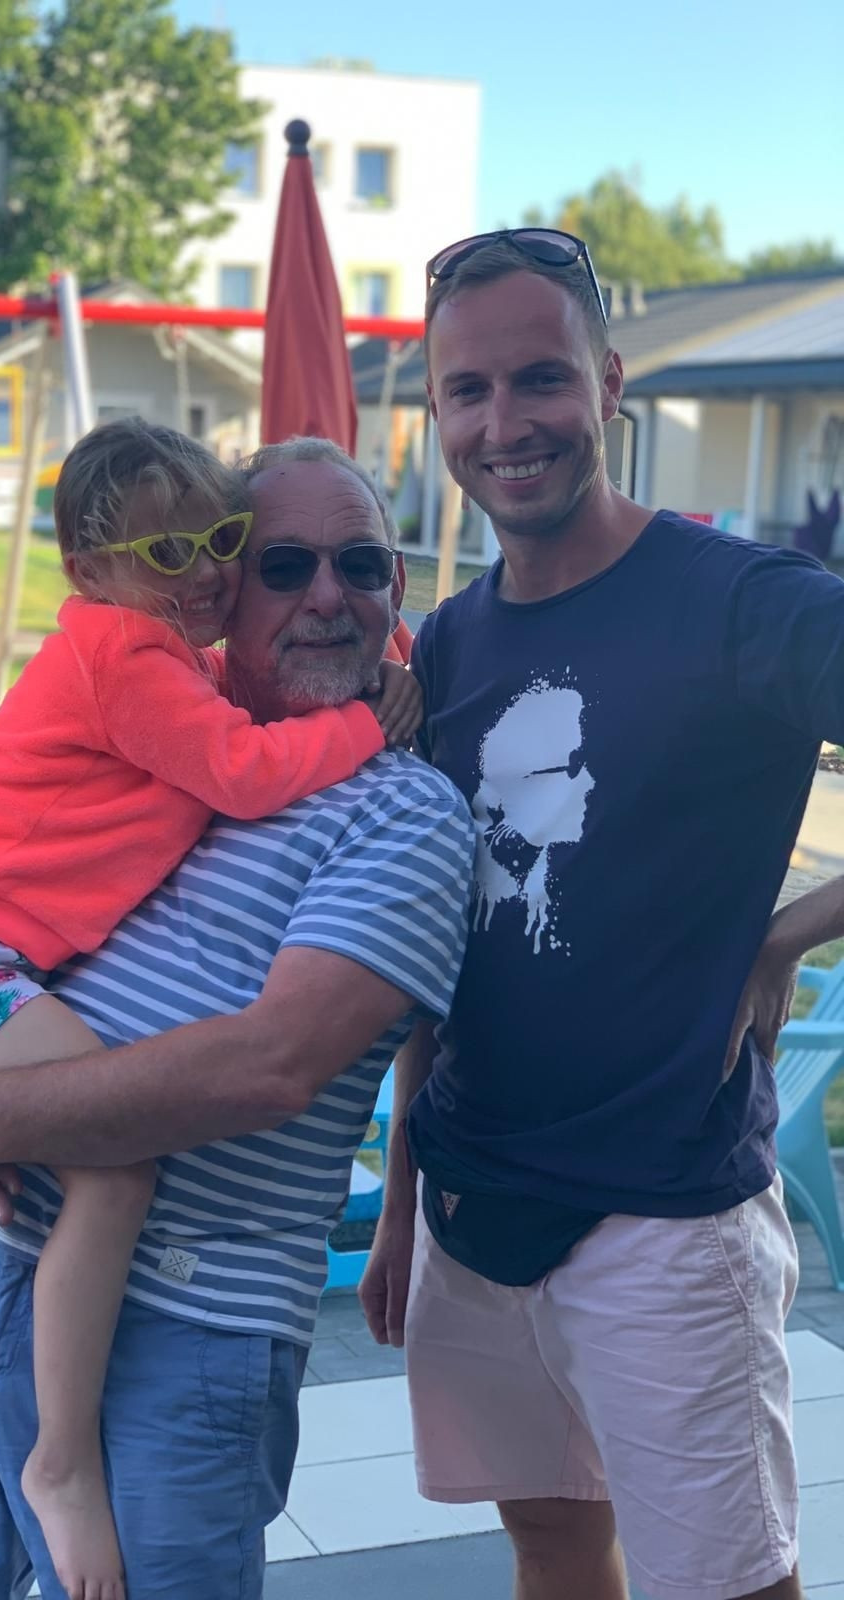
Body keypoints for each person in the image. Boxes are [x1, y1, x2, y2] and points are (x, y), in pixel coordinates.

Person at [0, 436, 477, 1600]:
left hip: (184, 1319)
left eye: (362, 565)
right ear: (224, 592)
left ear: (398, 589)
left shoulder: (404, 814)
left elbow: (273, 1065)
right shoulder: (159, 730)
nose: (329, 595)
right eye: (283, 566)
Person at [359, 228, 844, 1600]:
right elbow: (434, 935)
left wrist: (789, 930)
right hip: (473, 1201)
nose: (505, 424)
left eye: (541, 379)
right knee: (554, 1544)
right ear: (438, 410)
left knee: (726, 1582)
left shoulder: (743, 603)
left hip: (665, 1215)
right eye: (469, 390)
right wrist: (402, 1197)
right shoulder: (452, 640)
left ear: (610, 383)